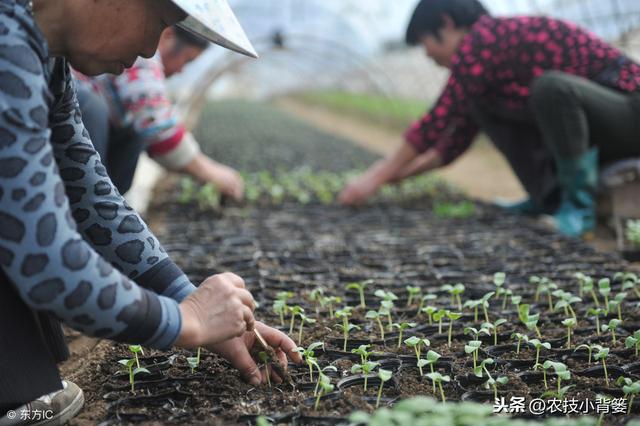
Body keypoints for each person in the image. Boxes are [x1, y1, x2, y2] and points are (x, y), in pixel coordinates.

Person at [0, 1, 300, 424]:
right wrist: (186, 322)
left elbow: (89, 192)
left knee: (33, 382)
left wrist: (185, 295)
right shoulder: (6, 40)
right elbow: (44, 258)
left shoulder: (46, 59)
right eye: (160, 22)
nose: (148, 50)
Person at [339, 0, 640, 238]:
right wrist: (396, 177)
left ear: (446, 23)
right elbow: (450, 142)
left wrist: (373, 178)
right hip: (601, 122)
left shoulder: (485, 38)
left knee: (551, 88)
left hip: (629, 110)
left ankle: (578, 209)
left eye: (424, 42)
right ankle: (549, 197)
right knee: (482, 106)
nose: (427, 55)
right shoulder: (484, 64)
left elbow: (436, 121)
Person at [75, 25, 245, 200]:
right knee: (93, 109)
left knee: (133, 133)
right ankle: (93, 203)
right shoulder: (141, 54)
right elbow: (157, 125)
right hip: (70, 148)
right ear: (167, 35)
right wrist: (209, 171)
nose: (181, 70)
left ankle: (104, 204)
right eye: (186, 60)